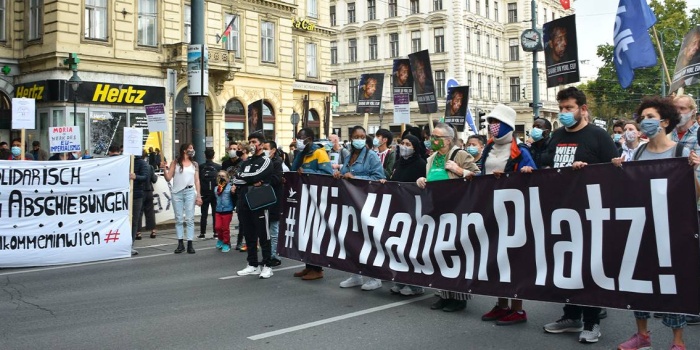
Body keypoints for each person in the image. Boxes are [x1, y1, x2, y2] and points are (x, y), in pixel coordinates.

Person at [612, 96, 699, 350]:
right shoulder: (638, 152)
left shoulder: (681, 152)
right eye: (643, 117)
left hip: (671, 230)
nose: (644, 121)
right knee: (639, 280)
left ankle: (677, 341)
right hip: (642, 227)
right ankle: (642, 335)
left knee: (672, 282)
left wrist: (692, 171)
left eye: (650, 117)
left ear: (665, 121)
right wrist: (619, 171)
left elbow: (694, 196)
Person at [541, 87, 619, 344]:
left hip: (589, 212)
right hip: (561, 212)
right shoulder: (556, 136)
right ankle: (571, 315)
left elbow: (614, 173)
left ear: (583, 109)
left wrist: (589, 171)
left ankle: (592, 321)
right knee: (567, 266)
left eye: (569, 108)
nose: (564, 113)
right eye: (561, 108)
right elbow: (548, 167)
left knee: (588, 267)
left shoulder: (598, 136)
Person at [478, 104, 536, 326]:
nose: (492, 126)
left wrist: (518, 175)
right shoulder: (488, 148)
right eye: (491, 121)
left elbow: (534, 178)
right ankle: (501, 304)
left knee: (513, 260)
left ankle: (518, 309)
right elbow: (482, 170)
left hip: (514, 213)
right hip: (490, 209)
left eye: (497, 122)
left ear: (508, 126)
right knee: (495, 258)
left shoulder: (521, 151)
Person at [416, 122, 480, 311]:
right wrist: (422, 180)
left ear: (448, 140)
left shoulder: (460, 155)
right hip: (437, 211)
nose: (432, 140)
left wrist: (460, 171)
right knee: (439, 253)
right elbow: (432, 179)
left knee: (457, 254)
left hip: (457, 211)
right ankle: (444, 294)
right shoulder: (432, 158)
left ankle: (459, 297)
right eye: (431, 136)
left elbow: (479, 177)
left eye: (436, 136)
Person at [334, 126, 386, 291]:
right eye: (356, 136)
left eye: (362, 136)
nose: (359, 139)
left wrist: (356, 177)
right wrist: (339, 176)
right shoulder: (349, 156)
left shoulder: (371, 156)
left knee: (369, 240)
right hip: (350, 204)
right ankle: (356, 274)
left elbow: (379, 178)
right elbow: (345, 176)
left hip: (366, 203)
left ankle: (375, 277)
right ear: (350, 138)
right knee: (352, 239)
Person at [233, 132, 278, 279]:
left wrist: (248, 178)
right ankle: (252, 264)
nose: (251, 144)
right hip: (244, 201)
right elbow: (236, 178)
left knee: (263, 234)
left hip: (259, 201)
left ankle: (267, 265)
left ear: (261, 144)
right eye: (250, 141)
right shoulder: (246, 162)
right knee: (249, 234)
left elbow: (257, 175)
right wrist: (250, 180)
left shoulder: (265, 160)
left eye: (254, 141)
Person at [291, 128, 334, 280]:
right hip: (306, 198)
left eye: (300, 138)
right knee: (306, 234)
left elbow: (328, 174)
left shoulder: (319, 153)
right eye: (297, 138)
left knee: (315, 234)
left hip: (317, 200)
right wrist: (299, 154)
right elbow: (293, 169)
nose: (298, 141)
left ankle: (318, 268)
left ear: (309, 139)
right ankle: (309, 266)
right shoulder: (303, 153)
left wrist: (309, 174)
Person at [388, 134, 426, 296]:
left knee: (412, 248)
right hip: (398, 211)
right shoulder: (398, 163)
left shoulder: (420, 164)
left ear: (415, 147)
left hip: (414, 211)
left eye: (408, 144)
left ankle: (416, 284)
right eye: (402, 143)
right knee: (399, 248)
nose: (404, 146)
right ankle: (401, 280)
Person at [161, 144, 203, 254]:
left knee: (190, 219)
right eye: (190, 148)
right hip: (177, 193)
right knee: (179, 219)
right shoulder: (175, 163)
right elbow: (168, 178)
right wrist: (164, 169)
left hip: (189, 192)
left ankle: (190, 243)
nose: (192, 150)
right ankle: (180, 243)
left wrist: (198, 195)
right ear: (184, 150)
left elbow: (197, 180)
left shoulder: (194, 164)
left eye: (193, 148)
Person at [262, 140, 285, 266]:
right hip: (265, 199)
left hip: (274, 200)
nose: (264, 150)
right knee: (266, 230)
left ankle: (275, 256)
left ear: (273, 150)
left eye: (266, 148)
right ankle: (268, 255)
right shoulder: (263, 162)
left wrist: (262, 179)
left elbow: (276, 179)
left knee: (274, 229)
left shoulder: (276, 162)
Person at [129, 154, 150, 255]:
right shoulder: (125, 162)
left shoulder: (142, 163)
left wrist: (135, 177)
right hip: (124, 195)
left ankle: (130, 244)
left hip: (136, 195)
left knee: (134, 220)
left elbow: (145, 177)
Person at [198, 148, 221, 239]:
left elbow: (198, 180)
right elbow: (221, 180)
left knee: (204, 214)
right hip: (215, 193)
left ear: (205, 156)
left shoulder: (201, 167)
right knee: (215, 213)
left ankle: (202, 233)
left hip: (204, 193)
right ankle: (215, 233)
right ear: (214, 156)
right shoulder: (218, 167)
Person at [214, 170, 235, 253]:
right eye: (219, 176)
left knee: (225, 228)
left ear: (227, 178)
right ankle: (220, 239)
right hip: (218, 210)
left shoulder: (230, 187)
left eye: (223, 176)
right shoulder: (216, 188)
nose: (221, 178)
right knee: (218, 227)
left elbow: (234, 197)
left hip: (227, 210)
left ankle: (226, 243)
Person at [137, 158, 158, 240]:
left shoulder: (135, 166)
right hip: (149, 191)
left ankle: (138, 232)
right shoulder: (150, 167)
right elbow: (154, 179)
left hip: (139, 191)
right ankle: (153, 230)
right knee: (150, 212)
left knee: (139, 212)